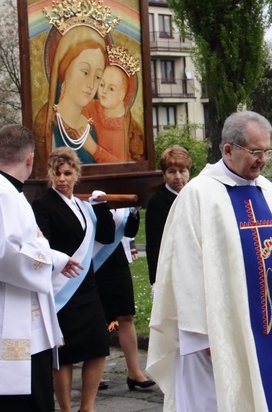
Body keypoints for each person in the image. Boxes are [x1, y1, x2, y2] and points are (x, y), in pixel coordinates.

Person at [147, 111, 272, 412]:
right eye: (255, 152)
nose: (263, 160)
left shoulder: (268, 191)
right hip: (220, 333)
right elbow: (184, 269)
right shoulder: (198, 196)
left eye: (267, 151)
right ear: (228, 149)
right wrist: (200, 334)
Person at [0, 125, 82, 412]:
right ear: (30, 160)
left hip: (14, 321)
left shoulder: (2, 192)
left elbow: (17, 246)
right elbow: (3, 256)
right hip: (7, 329)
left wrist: (51, 254)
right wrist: (49, 256)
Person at [31, 147, 116, 412]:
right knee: (64, 354)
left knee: (98, 346)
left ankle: (87, 407)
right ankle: (66, 408)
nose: (62, 179)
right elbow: (42, 242)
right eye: (56, 173)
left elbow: (107, 236)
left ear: (76, 174)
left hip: (87, 286)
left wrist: (101, 208)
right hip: (61, 288)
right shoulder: (43, 205)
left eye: (67, 173)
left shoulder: (83, 206)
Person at [94, 206, 155, 391]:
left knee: (126, 315)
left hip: (117, 261)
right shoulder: (89, 196)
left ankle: (134, 372)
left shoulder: (121, 200)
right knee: (98, 320)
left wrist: (133, 212)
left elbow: (129, 231)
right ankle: (96, 374)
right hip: (92, 261)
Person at [32, 25, 108, 174]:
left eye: (98, 76)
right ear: (64, 69)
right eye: (85, 72)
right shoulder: (46, 123)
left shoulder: (91, 128)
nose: (91, 84)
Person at [81, 46, 145, 163]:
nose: (103, 91)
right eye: (101, 85)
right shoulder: (89, 108)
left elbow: (127, 168)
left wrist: (94, 149)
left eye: (111, 88)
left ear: (122, 94)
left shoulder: (133, 131)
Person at [144, 145, 191, 289]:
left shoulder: (195, 195)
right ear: (164, 174)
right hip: (172, 268)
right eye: (172, 172)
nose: (178, 177)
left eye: (182, 171)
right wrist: (156, 280)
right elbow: (154, 244)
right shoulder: (157, 202)